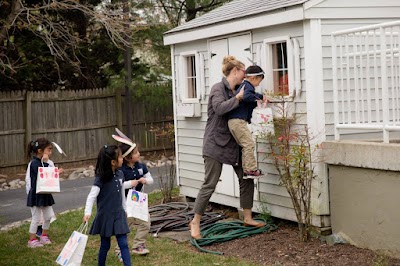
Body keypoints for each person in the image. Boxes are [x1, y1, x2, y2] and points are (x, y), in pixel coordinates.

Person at [188, 56, 266, 240]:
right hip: (215, 144)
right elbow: (219, 109)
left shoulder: (239, 89)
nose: (245, 75)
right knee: (210, 184)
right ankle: (195, 222)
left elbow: (248, 102)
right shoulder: (218, 88)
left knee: (246, 177)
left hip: (233, 144)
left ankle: (247, 217)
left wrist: (260, 99)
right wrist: (238, 98)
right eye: (243, 72)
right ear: (235, 71)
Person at [83, 145, 136, 266]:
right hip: (105, 216)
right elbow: (91, 196)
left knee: (123, 243)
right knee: (105, 244)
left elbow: (122, 193)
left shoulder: (120, 174)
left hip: (118, 214)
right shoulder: (101, 178)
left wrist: (125, 209)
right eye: (120, 157)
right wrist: (87, 213)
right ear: (113, 162)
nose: (122, 159)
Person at [228, 65, 266, 178]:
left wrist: (257, 102)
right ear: (253, 78)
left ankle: (247, 169)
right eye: (259, 81)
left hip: (235, 121)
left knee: (245, 145)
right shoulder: (247, 86)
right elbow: (246, 96)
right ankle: (250, 170)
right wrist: (260, 97)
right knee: (248, 144)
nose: (259, 84)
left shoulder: (244, 85)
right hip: (237, 121)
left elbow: (247, 100)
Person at [119, 142, 154, 255]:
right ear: (128, 157)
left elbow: (151, 179)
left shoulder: (141, 166)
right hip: (125, 202)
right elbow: (119, 185)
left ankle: (138, 245)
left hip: (139, 201)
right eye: (136, 153)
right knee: (125, 226)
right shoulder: (121, 170)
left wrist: (146, 180)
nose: (139, 154)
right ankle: (119, 249)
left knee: (145, 223)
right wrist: (130, 183)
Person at [26, 138, 59, 248]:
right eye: (49, 150)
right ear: (40, 151)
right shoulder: (34, 163)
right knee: (36, 218)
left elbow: (49, 175)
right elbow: (43, 174)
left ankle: (44, 236)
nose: (50, 152)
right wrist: (45, 163)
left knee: (48, 216)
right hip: (36, 195)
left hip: (45, 193)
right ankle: (32, 240)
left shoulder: (45, 163)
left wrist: (56, 172)